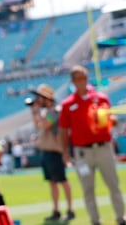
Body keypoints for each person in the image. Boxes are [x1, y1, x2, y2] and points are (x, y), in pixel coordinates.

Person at [59, 65, 126, 225]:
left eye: (84, 78)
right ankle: (95, 220)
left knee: (113, 185)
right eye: (78, 79)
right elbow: (63, 130)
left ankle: (121, 217)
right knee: (88, 189)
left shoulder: (101, 98)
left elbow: (113, 120)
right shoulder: (68, 104)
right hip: (82, 152)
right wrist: (65, 152)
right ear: (73, 82)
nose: (82, 81)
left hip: (103, 148)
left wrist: (104, 119)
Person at [29, 83, 75, 221]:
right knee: (52, 182)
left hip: (56, 152)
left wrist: (38, 113)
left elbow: (46, 125)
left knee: (62, 181)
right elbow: (38, 126)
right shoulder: (46, 112)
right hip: (47, 152)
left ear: (46, 98)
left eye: (39, 97)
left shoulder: (55, 111)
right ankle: (56, 210)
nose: (37, 100)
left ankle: (70, 209)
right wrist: (34, 112)